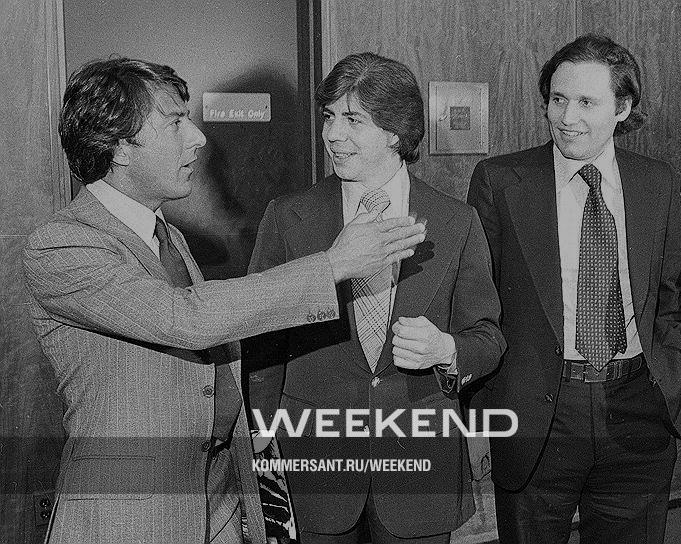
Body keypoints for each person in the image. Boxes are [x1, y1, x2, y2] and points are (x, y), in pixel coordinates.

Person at [21, 57, 425, 544]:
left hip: (217, 502)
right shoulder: (62, 245)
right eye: (175, 123)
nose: (198, 138)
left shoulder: (168, 237)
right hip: (129, 516)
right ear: (121, 145)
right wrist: (333, 265)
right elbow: (185, 319)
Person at [245, 52, 505, 544]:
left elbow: (488, 338)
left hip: (419, 472)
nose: (332, 134)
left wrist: (447, 349)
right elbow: (262, 338)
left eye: (352, 120)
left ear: (395, 131)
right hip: (314, 467)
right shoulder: (287, 218)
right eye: (329, 117)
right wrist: (260, 435)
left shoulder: (456, 221)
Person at [467, 34, 681, 544]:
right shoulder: (500, 182)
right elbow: (477, 309)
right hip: (538, 417)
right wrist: (481, 415)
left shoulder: (656, 182)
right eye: (558, 99)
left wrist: (670, 370)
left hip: (638, 410)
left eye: (587, 102)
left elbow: (670, 295)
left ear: (623, 108)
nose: (567, 117)